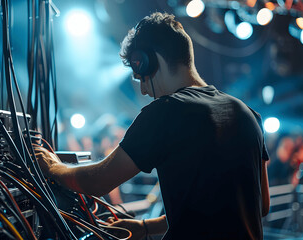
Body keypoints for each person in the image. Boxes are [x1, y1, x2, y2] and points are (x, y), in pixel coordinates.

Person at [34, 12, 270, 240]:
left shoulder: (165, 112)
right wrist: (145, 227)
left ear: (147, 61)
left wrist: (53, 167)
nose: (145, 91)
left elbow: (98, 180)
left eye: (140, 78)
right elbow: (261, 205)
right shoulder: (248, 114)